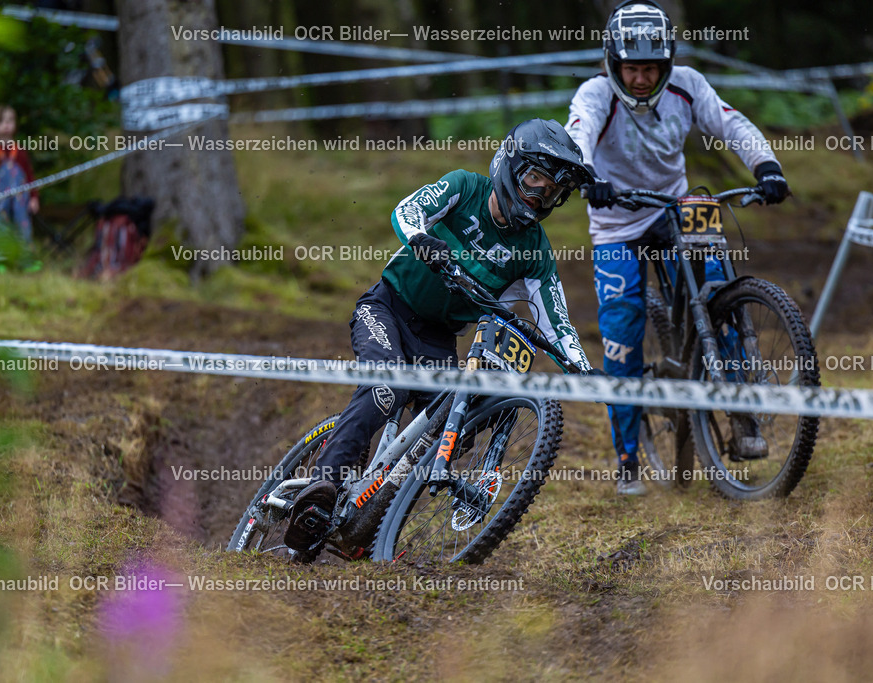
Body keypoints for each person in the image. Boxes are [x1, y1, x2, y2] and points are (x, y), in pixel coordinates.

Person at [284, 118, 600, 551]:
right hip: (387, 309)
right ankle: (319, 489)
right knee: (385, 386)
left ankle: (371, 518)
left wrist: (583, 370)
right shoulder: (464, 188)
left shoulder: (535, 250)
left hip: (438, 342)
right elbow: (407, 210)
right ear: (510, 165)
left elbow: (556, 319)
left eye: (552, 192)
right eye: (534, 180)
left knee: (458, 425)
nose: (539, 195)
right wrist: (420, 238)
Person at [565, 0, 789, 496]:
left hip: (678, 203)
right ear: (613, 63)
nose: (641, 79)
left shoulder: (687, 85)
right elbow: (577, 134)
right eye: (632, 68)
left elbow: (732, 123)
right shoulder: (595, 93)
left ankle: (743, 416)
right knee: (622, 330)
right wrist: (588, 176)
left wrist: (767, 166)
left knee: (721, 289)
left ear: (666, 66)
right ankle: (627, 460)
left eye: (651, 69)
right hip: (616, 220)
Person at [0, 104, 40, 271]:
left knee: (23, 226)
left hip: (21, 200)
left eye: (10, 121)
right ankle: (0, 261)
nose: (6, 125)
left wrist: (34, 197)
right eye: (1, 122)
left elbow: (30, 176)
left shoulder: (20, 151)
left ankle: (25, 260)